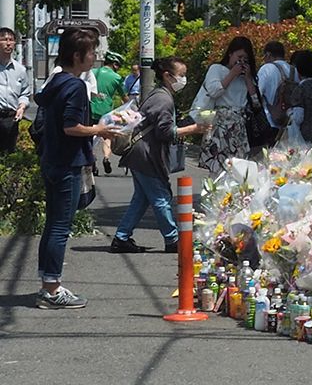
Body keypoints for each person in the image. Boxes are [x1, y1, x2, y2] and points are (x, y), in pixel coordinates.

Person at [33, 28, 110, 309]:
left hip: (52, 159)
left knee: (53, 224)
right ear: (77, 56)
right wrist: (100, 129)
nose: (94, 57)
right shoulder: (76, 86)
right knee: (60, 227)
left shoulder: (56, 81)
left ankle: (47, 283)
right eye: (91, 52)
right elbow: (71, 126)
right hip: (67, 162)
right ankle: (52, 289)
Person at [111, 58, 209, 254]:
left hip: (141, 154)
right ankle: (172, 239)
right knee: (161, 197)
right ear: (167, 75)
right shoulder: (163, 99)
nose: (184, 80)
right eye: (181, 75)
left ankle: (121, 237)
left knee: (142, 198)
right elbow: (164, 132)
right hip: (147, 155)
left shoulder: (158, 94)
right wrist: (194, 128)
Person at [193, 36, 259, 173]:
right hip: (220, 125)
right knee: (218, 168)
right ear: (230, 54)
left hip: (239, 126)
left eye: (245, 59)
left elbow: (256, 102)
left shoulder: (247, 76)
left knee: (238, 169)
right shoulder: (216, 69)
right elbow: (214, 92)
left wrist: (247, 79)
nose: (241, 62)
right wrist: (232, 74)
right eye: (239, 57)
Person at [256, 40, 300, 146]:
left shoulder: (266, 69)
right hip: (291, 124)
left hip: (270, 123)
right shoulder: (294, 71)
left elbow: (257, 94)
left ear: (268, 54)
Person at [91, 51, 127, 174]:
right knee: (107, 136)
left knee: (90, 136)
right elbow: (125, 97)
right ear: (115, 64)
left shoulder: (92, 72)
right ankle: (106, 157)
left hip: (90, 109)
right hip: (105, 112)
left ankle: (92, 159)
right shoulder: (117, 78)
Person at [0, 26, 31, 154]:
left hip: (11, 118)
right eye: (4, 39)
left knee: (9, 154)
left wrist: (22, 106)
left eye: (11, 40)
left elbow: (25, 93)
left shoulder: (20, 70)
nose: (8, 43)